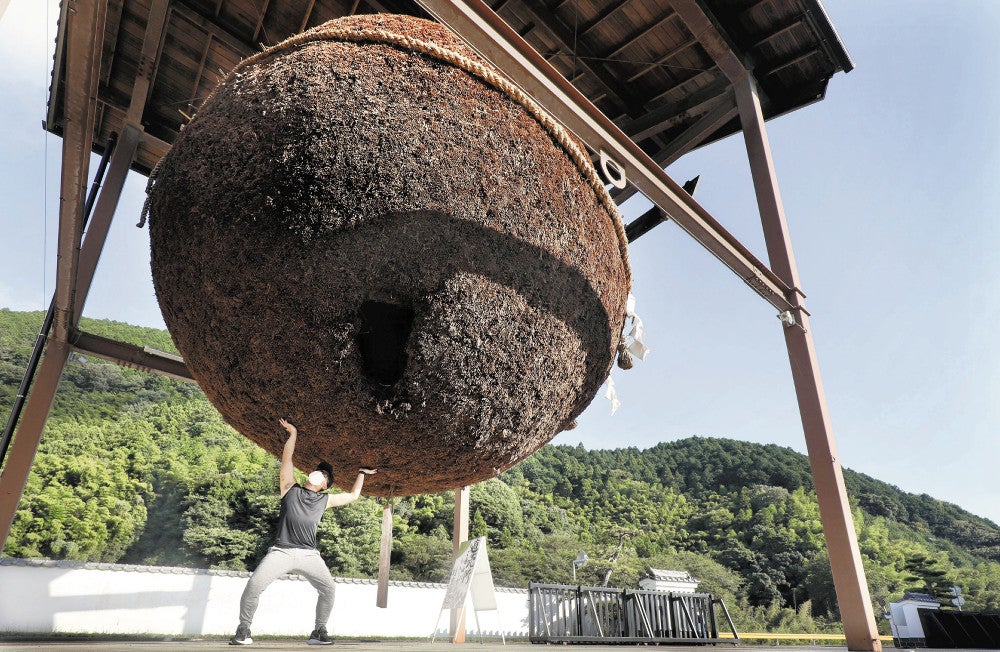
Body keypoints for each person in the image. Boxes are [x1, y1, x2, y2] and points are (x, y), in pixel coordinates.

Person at [230, 418, 376, 646]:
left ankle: (319, 631)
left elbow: (354, 496)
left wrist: (361, 473)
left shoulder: (325, 500)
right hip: (281, 551)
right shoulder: (289, 488)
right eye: (320, 471)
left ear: (325, 485)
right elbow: (287, 459)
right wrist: (293, 434)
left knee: (328, 589)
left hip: (309, 555)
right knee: (254, 585)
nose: (321, 473)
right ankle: (243, 629)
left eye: (325, 475)